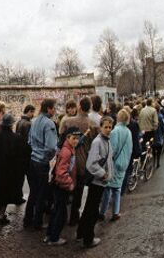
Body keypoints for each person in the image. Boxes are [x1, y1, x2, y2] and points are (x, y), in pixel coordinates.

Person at [77, 116, 114, 248]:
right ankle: (88, 239)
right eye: (106, 127)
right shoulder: (98, 142)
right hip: (97, 182)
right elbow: (91, 164)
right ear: (100, 127)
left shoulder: (106, 141)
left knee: (89, 208)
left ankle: (81, 232)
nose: (108, 129)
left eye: (110, 127)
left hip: (101, 181)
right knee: (92, 211)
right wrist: (103, 174)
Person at [61, 96, 97, 226]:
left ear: (79, 106)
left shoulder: (68, 121)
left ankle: (62, 216)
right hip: (83, 161)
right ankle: (74, 217)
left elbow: (61, 138)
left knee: (65, 190)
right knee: (78, 191)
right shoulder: (93, 124)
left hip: (68, 159)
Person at [23, 98, 58, 230]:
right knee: (41, 194)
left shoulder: (34, 121)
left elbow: (30, 142)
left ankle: (27, 219)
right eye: (54, 107)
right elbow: (51, 147)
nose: (55, 110)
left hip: (33, 160)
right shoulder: (49, 124)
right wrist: (49, 158)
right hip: (42, 162)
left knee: (33, 192)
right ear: (49, 108)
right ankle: (37, 222)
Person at [45, 128, 80, 246]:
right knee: (61, 213)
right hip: (62, 186)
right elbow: (61, 172)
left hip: (58, 185)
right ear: (67, 138)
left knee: (56, 210)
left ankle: (50, 235)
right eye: (74, 138)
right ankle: (54, 238)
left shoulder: (67, 148)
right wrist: (70, 183)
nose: (76, 141)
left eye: (77, 138)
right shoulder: (67, 152)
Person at [0, 114, 27, 225]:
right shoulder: (18, 138)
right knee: (6, 193)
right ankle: (0, 216)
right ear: (11, 125)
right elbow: (21, 156)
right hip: (11, 170)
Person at [99, 109, 132, 221]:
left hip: (113, 164)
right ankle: (116, 212)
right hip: (124, 163)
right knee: (117, 188)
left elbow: (112, 149)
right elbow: (129, 148)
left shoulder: (115, 131)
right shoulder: (128, 131)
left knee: (107, 189)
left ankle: (102, 212)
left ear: (118, 118)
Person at [122, 107, 143, 195]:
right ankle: (125, 186)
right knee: (128, 169)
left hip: (124, 150)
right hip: (133, 149)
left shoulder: (121, 124)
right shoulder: (134, 123)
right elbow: (137, 136)